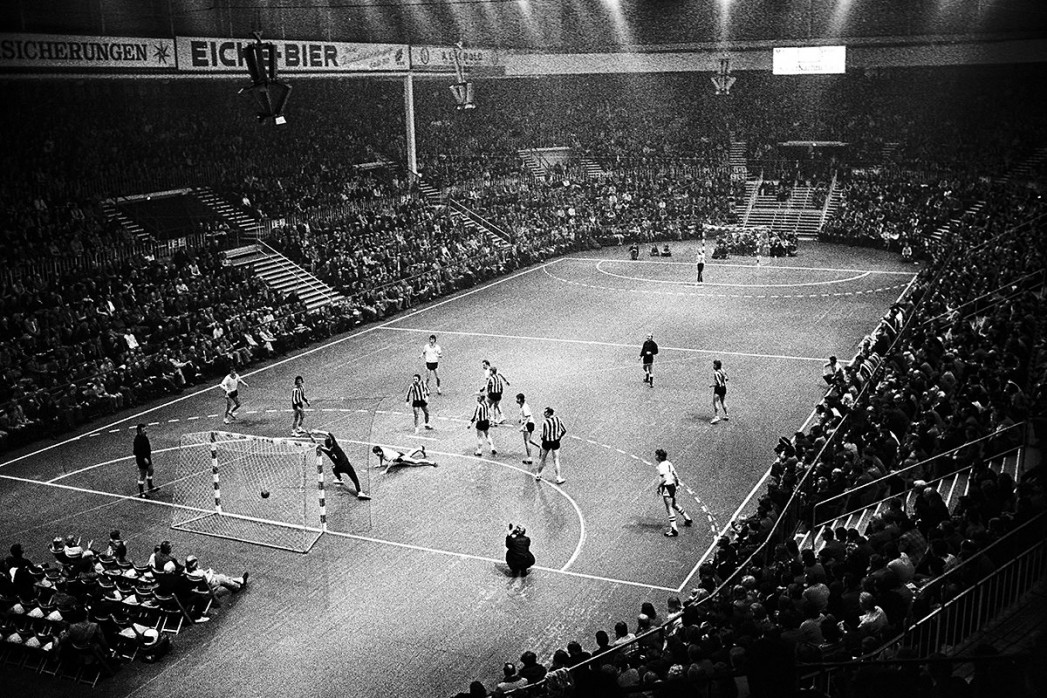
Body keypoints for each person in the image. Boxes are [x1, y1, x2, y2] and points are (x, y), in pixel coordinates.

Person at [310, 431, 370, 500]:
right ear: (331, 442)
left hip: (339, 467)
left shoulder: (327, 451)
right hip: (347, 465)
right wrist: (317, 432)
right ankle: (359, 492)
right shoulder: (335, 446)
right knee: (354, 478)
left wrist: (312, 438)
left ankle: (339, 479)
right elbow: (329, 434)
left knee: (334, 468)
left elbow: (317, 445)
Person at [655, 449, 694, 537]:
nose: (655, 456)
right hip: (672, 486)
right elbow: (675, 474)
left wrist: (658, 487)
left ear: (659, 457)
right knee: (674, 504)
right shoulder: (669, 463)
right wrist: (677, 485)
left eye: (656, 455)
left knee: (669, 508)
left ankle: (674, 529)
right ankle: (687, 518)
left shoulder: (661, 466)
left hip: (667, 487)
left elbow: (664, 479)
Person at [184, 555, 249, 594]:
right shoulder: (199, 573)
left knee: (222, 577)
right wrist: (210, 572)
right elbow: (208, 580)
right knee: (222, 578)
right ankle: (237, 587)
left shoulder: (187, 572)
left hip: (202, 586)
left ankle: (239, 580)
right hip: (210, 584)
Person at [535, 407, 567, 484]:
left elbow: (543, 435)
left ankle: (538, 474)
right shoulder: (558, 419)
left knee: (542, 459)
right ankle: (558, 477)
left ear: (549, 413)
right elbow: (564, 430)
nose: (544, 414)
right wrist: (559, 437)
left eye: (545, 412)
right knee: (556, 459)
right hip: (556, 442)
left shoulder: (545, 422)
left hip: (546, 442)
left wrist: (543, 438)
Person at [371, 444, 438, 472]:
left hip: (400, 458)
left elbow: (391, 463)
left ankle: (431, 462)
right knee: (408, 455)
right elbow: (381, 456)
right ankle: (419, 448)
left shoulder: (387, 454)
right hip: (398, 455)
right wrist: (380, 464)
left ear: (379, 451)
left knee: (415, 462)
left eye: (377, 453)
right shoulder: (381, 452)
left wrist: (385, 471)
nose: (376, 454)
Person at [133, 423, 154, 498]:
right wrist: (143, 458)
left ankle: (150, 486)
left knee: (151, 470)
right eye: (143, 430)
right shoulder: (137, 440)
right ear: (139, 431)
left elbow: (148, 447)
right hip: (141, 459)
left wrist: (148, 455)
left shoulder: (145, 437)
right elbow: (136, 452)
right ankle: (141, 492)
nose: (145, 431)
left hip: (147, 457)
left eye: (145, 429)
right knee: (143, 474)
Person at [516, 393, 535, 465]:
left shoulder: (524, 407)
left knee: (526, 441)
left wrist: (523, 426)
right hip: (530, 423)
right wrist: (521, 419)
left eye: (517, 399)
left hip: (528, 424)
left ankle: (529, 458)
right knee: (529, 440)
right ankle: (540, 447)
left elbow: (528, 417)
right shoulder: (522, 406)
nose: (516, 400)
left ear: (520, 399)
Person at [710, 359, 730, 424]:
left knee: (715, 401)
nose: (713, 366)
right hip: (724, 388)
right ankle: (726, 414)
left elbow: (718, 384)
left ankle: (716, 416)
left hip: (718, 389)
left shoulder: (716, 373)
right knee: (723, 401)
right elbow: (727, 378)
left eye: (714, 365)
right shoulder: (723, 370)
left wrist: (712, 385)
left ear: (716, 366)